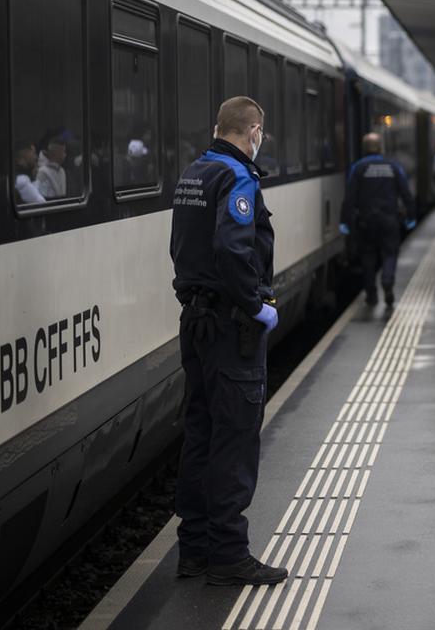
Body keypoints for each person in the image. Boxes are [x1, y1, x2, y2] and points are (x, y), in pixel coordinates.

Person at [168, 96, 286, 587]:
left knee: (199, 434)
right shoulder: (238, 177)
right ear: (253, 129)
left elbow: (181, 246)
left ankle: (193, 549)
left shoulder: (194, 172)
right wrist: (256, 306)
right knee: (233, 440)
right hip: (230, 327)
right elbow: (234, 250)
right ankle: (229, 556)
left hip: (194, 321)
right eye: (260, 134)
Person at [341, 133, 416, 307]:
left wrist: (345, 221)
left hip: (366, 221)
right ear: (381, 147)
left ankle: (371, 295)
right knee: (390, 253)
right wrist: (411, 216)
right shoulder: (393, 167)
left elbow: (350, 198)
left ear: (364, 148)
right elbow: (406, 193)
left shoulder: (358, 168)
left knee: (368, 257)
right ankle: (387, 281)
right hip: (389, 219)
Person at [35, 131, 68, 199]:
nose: (65, 154)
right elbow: (43, 197)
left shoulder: (62, 170)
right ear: (57, 153)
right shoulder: (42, 172)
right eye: (63, 151)